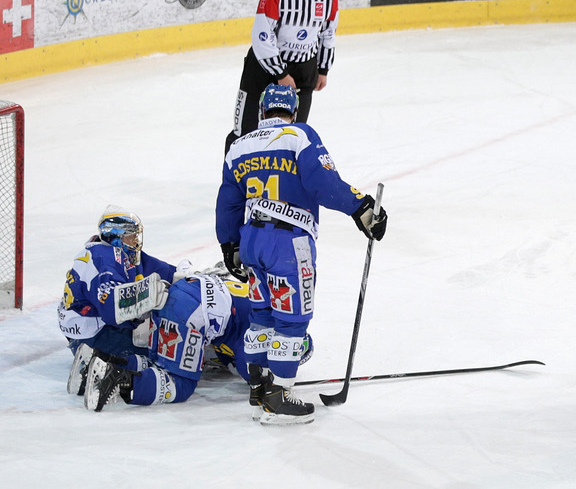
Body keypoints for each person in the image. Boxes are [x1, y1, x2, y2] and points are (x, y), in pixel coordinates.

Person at [216, 84, 387, 425]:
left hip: (251, 241)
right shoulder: (300, 135)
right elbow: (322, 181)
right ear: (293, 112)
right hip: (288, 242)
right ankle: (279, 397)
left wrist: (230, 245)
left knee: (262, 316)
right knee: (292, 319)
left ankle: (259, 391)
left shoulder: (238, 146)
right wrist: (361, 207)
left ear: (262, 111)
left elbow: (228, 200)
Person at [80, 273, 308, 412]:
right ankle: (121, 380)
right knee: (181, 384)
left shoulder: (268, 313)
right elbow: (252, 374)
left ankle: (103, 361)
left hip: (182, 293)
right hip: (192, 312)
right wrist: (273, 379)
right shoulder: (256, 337)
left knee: (158, 365)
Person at [225, 0, 339, 154]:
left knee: (294, 134)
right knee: (244, 131)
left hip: (304, 69)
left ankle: (285, 183)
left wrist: (323, 70)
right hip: (263, 69)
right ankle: (234, 184)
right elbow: (262, 35)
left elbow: (328, 33)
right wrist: (280, 73)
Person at [59, 206, 183, 397]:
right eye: (130, 236)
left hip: (90, 327)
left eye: (136, 236)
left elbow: (161, 270)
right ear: (115, 236)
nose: (135, 241)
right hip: (93, 333)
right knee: (160, 354)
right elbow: (113, 309)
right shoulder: (104, 259)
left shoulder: (116, 252)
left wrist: (188, 277)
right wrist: (146, 306)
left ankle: (94, 357)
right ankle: (96, 364)